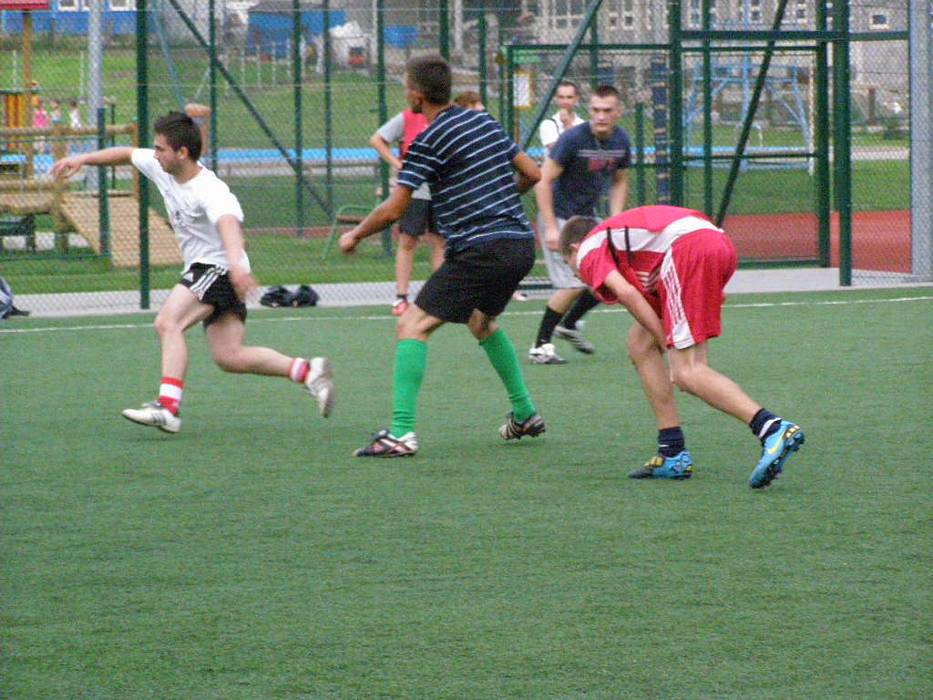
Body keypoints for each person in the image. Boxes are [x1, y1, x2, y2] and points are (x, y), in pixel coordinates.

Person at [50, 108, 335, 434]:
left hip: (219, 267)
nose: (155, 154)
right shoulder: (162, 167)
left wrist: (236, 266)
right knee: (229, 356)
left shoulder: (209, 189)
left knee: (167, 322)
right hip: (214, 269)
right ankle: (308, 372)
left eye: (161, 148)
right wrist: (83, 159)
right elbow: (126, 154)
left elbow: (229, 225)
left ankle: (168, 408)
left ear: (182, 153)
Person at [340, 54, 545, 458]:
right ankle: (525, 413)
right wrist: (499, 200)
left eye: (406, 88)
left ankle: (401, 434)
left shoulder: (427, 141)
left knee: (412, 326)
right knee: (481, 322)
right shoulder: (484, 122)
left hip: (480, 250)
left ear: (416, 95)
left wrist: (355, 234)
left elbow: (395, 210)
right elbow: (533, 173)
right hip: (520, 244)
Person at [559, 206, 805, 488]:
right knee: (640, 343)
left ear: (574, 248)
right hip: (716, 245)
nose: (578, 276)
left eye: (569, 265)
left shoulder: (588, 248)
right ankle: (672, 450)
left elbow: (627, 294)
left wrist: (666, 341)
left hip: (688, 250)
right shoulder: (622, 244)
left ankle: (772, 428)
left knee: (687, 372)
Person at [530, 84, 631, 364]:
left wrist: (615, 218)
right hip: (561, 217)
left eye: (607, 111)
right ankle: (540, 346)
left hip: (588, 219)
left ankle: (570, 323)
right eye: (595, 110)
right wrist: (551, 227)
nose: (600, 116)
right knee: (573, 284)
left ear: (618, 112)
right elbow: (543, 181)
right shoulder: (573, 139)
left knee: (612, 276)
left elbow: (620, 180)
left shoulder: (621, 140)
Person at [369, 104, 445, 316]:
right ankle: (401, 297)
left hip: (442, 189)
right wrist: (397, 163)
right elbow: (377, 139)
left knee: (440, 242)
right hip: (414, 190)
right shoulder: (408, 117)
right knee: (408, 241)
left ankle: (440, 297)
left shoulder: (445, 117)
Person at [538, 80, 585, 156]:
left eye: (569, 97)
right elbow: (559, 152)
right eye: (561, 97)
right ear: (556, 99)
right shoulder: (548, 124)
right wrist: (567, 124)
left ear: (576, 99)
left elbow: (583, 152)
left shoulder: (583, 124)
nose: (565, 101)